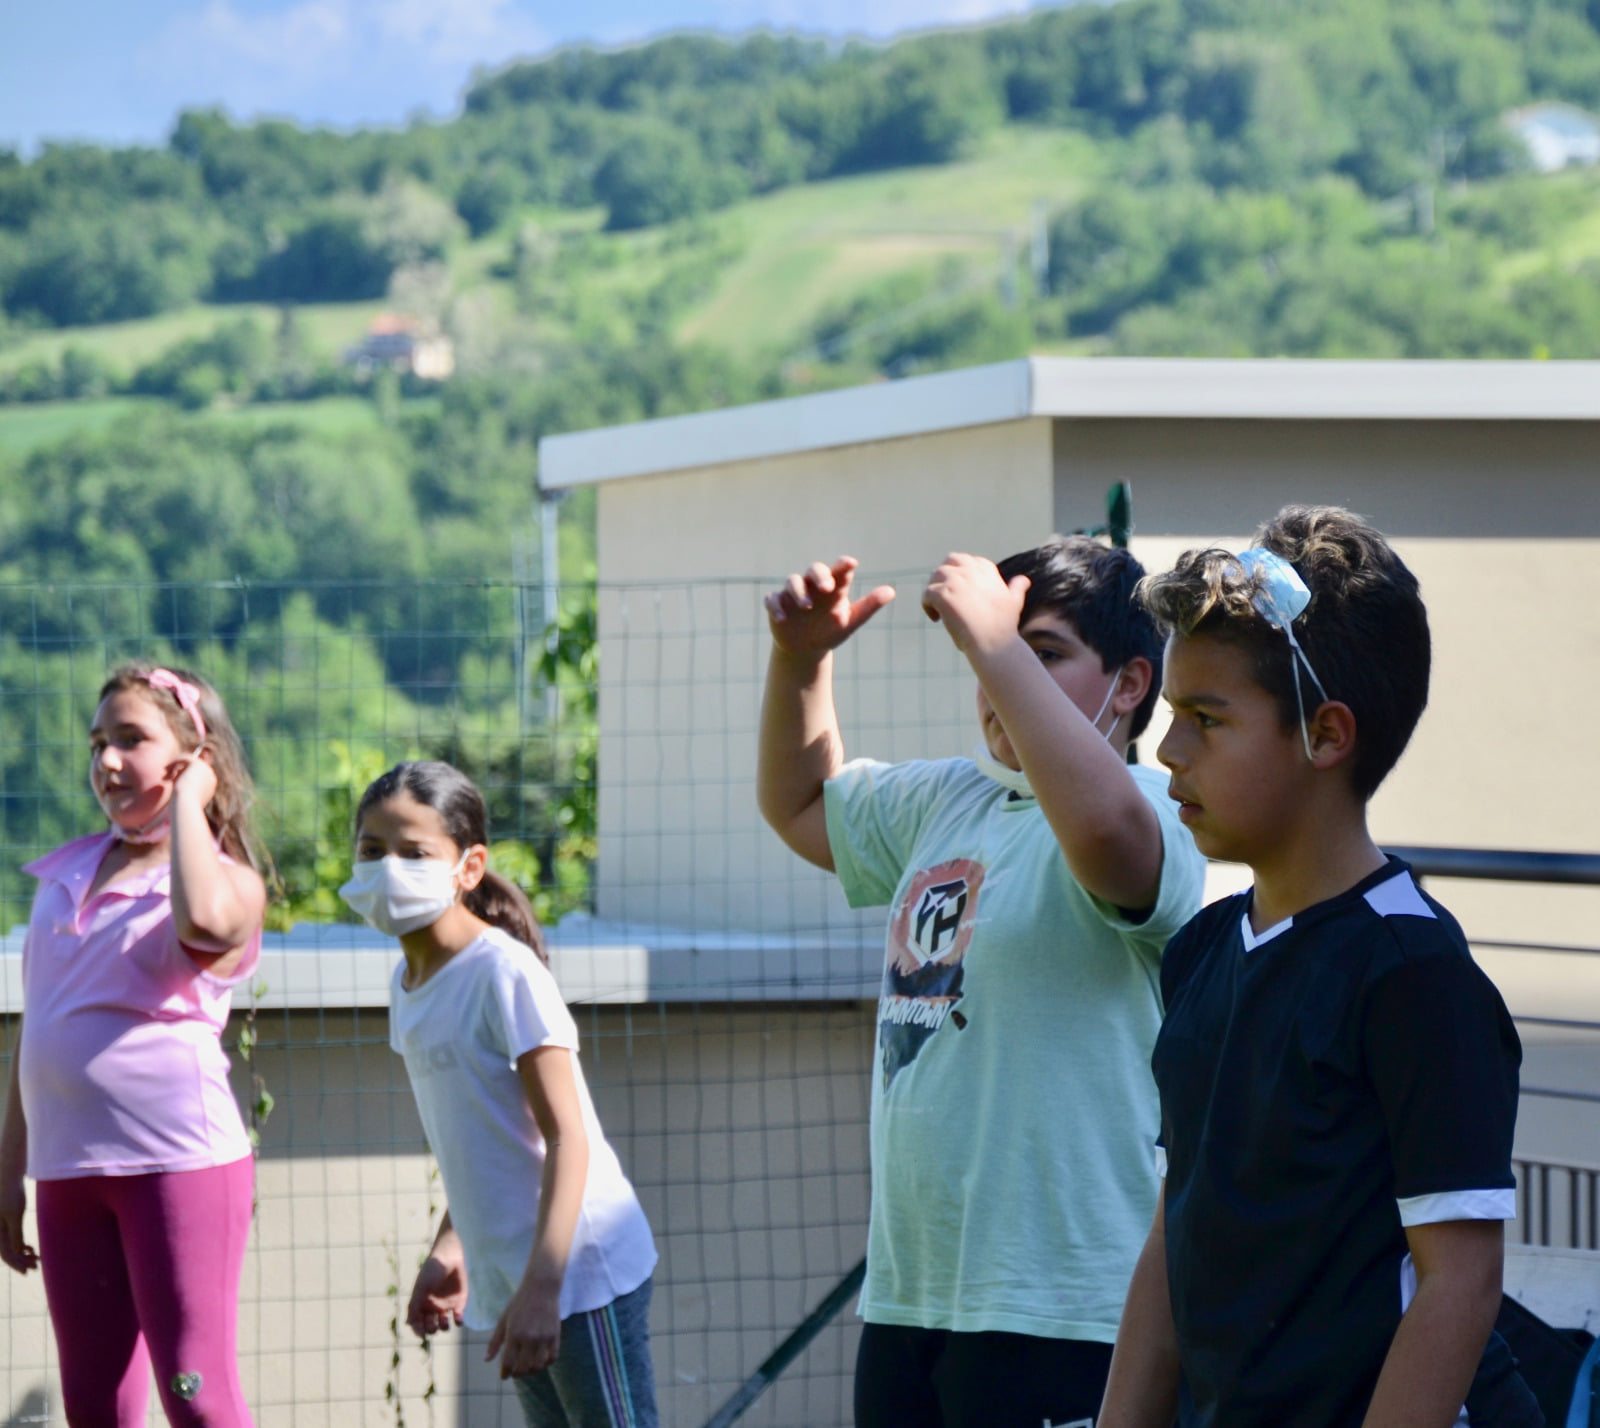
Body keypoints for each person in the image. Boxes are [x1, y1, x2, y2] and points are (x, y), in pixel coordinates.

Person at [1100, 505, 1537, 1428]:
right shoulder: (1202, 953)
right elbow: (1177, 1229)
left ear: (1326, 735)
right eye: (1172, 715)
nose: (1169, 751)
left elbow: (1460, 1282)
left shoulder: (1413, 973)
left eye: (1206, 719)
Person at [757, 541, 1207, 1428]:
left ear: (1129, 685)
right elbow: (800, 805)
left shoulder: (1152, 809)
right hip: (913, 1296)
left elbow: (1112, 846)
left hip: (1067, 1311)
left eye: (1041, 654)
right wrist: (800, 661)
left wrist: (993, 646)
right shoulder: (949, 799)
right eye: (1005, 651)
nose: (999, 676)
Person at [342, 760, 659, 1428]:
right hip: (514, 1283)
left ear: (468, 865)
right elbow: (480, 1140)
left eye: (414, 852)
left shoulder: (502, 973)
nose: (387, 868)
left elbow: (568, 1136)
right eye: (372, 850)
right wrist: (448, 1248)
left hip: (579, 1276)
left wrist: (545, 1288)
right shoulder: (408, 985)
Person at [0, 663, 265, 1427]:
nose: (106, 762)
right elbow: (38, 1027)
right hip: (68, 1175)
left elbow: (205, 925)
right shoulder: (62, 876)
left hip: (176, 1167)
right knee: (95, 1406)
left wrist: (190, 807)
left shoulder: (227, 883)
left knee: (197, 1394)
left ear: (194, 759)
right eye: (97, 744)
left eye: (131, 740)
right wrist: (9, 1163)